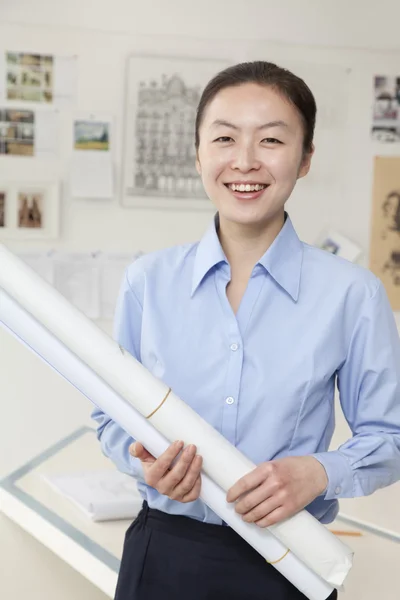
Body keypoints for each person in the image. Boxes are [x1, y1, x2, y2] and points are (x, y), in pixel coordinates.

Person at [92, 61, 400, 600]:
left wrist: (319, 472)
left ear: (305, 159)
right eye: (225, 138)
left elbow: (390, 435)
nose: (245, 161)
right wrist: (143, 460)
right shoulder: (148, 281)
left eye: (272, 140)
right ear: (198, 154)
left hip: (290, 559)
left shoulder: (353, 294)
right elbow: (109, 417)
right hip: (162, 556)